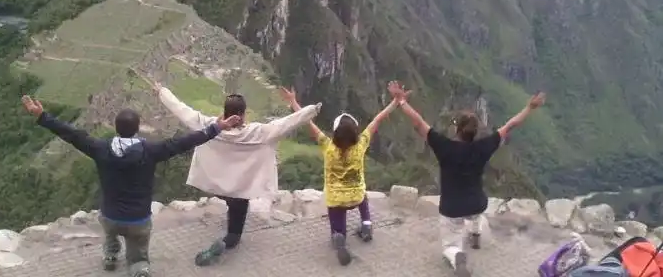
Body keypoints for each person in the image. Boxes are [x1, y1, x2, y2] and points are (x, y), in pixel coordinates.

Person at [21, 95, 241, 277]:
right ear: (138, 129)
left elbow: (72, 135)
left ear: (116, 128)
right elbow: (185, 142)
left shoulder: (100, 148)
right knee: (138, 256)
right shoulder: (151, 151)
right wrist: (217, 127)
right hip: (138, 219)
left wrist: (42, 116)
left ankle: (110, 256)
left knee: (109, 232)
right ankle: (139, 268)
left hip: (110, 216)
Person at [153, 82, 322, 267]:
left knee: (228, 200)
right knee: (234, 232)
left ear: (224, 111)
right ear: (242, 114)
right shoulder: (259, 132)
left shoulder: (209, 126)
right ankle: (225, 243)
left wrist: (162, 91)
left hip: (217, 186)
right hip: (241, 191)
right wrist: (311, 110)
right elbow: (287, 123)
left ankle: (225, 225)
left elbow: (181, 109)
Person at [387, 81, 546, 277]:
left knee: (449, 246)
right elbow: (511, 125)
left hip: (452, 209)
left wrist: (401, 101)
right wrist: (530, 107)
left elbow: (418, 122)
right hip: (476, 204)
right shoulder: (484, 146)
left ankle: (457, 256)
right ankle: (476, 233)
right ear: (475, 132)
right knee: (476, 211)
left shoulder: (444, 146)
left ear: (457, 129)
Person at [280, 87, 398, 265]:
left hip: (335, 200)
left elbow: (308, 122)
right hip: (356, 197)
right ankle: (366, 225)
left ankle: (339, 237)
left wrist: (293, 102)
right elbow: (377, 120)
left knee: (337, 219)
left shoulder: (328, 147)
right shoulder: (361, 145)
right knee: (362, 192)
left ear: (334, 134)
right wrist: (396, 101)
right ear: (355, 133)